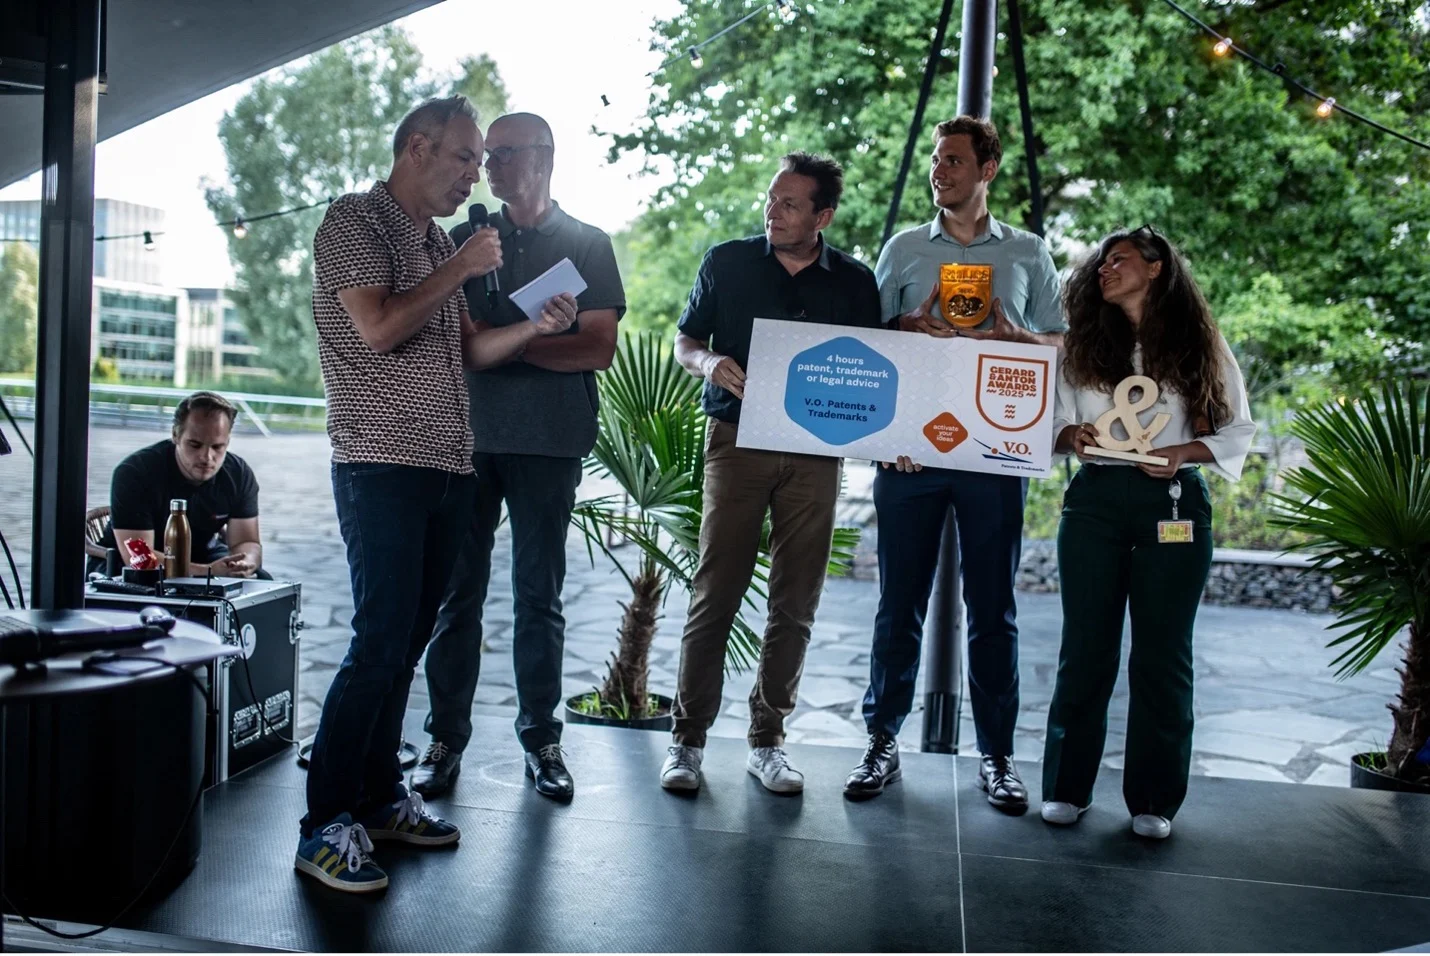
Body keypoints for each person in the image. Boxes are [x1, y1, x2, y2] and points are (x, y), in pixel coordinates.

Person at [297, 94, 575, 894]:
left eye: (479, 160)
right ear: (416, 147)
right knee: (378, 643)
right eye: (463, 157)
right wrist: (460, 267)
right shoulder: (356, 222)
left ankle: (381, 798)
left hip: (448, 467)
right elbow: (379, 328)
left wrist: (536, 328)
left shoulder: (436, 241)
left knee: (407, 645)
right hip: (380, 463)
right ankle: (323, 825)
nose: (475, 175)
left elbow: (471, 352)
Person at [844, 117, 1066, 811]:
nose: (939, 171)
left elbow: (1060, 346)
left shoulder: (1028, 252)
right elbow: (866, 340)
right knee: (897, 605)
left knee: (992, 609)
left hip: (994, 453)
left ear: (987, 170)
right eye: (937, 160)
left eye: (954, 161)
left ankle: (997, 756)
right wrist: (903, 326)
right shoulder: (904, 248)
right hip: (909, 452)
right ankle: (882, 742)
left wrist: (1017, 338)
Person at [414, 112, 626, 802]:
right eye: (487, 156)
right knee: (457, 597)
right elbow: (455, 344)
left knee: (539, 597)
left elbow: (597, 348)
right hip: (466, 439)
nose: (490, 168)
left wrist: (509, 344)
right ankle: (444, 739)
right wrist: (528, 339)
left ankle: (542, 740)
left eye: (504, 154)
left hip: (551, 441)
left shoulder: (589, 244)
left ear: (546, 156)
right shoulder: (463, 241)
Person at [660, 152, 882, 794]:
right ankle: (686, 742)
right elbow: (685, 341)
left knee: (796, 601)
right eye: (770, 199)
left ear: (823, 217)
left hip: (817, 452)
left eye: (789, 204)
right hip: (736, 441)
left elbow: (872, 370)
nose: (772, 211)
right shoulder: (726, 262)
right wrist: (708, 364)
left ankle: (769, 743)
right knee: (716, 592)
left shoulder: (855, 282)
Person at [1041, 226, 1255, 840]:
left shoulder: (1200, 342)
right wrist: (1069, 436)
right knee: (1085, 649)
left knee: (1163, 655)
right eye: (1101, 263)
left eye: (1120, 259)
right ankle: (1066, 788)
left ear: (1157, 268)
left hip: (1174, 503)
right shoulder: (1081, 343)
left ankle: (1155, 799)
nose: (1105, 269)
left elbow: (1236, 430)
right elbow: (1048, 421)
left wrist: (1183, 452)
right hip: (1095, 501)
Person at [97, 391, 268, 579]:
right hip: (126, 567)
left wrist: (244, 563)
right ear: (175, 435)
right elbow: (139, 557)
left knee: (261, 578)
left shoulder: (238, 474)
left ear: (227, 442)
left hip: (201, 554)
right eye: (195, 445)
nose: (206, 457)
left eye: (217, 447)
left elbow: (247, 541)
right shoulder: (135, 472)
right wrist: (208, 572)